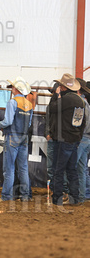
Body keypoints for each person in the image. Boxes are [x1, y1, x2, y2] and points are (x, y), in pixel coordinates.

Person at [0, 77, 33, 201]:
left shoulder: (12, 102)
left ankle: (6, 196)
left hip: (12, 137)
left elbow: (8, 121)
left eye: (13, 87)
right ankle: (25, 195)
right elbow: (29, 123)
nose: (12, 89)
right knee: (23, 168)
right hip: (24, 137)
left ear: (16, 89)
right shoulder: (29, 104)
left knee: (9, 168)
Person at [48, 73, 86, 206]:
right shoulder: (80, 101)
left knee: (58, 170)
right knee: (72, 170)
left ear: (63, 87)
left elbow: (52, 108)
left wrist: (55, 96)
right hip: (74, 139)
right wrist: (78, 137)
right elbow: (83, 123)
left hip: (64, 139)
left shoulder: (65, 100)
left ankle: (57, 198)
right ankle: (74, 197)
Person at [75, 78, 90, 202]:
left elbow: (77, 122)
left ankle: (74, 195)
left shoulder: (80, 103)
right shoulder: (86, 102)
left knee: (72, 166)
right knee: (82, 168)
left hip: (81, 137)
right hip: (87, 137)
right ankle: (81, 195)